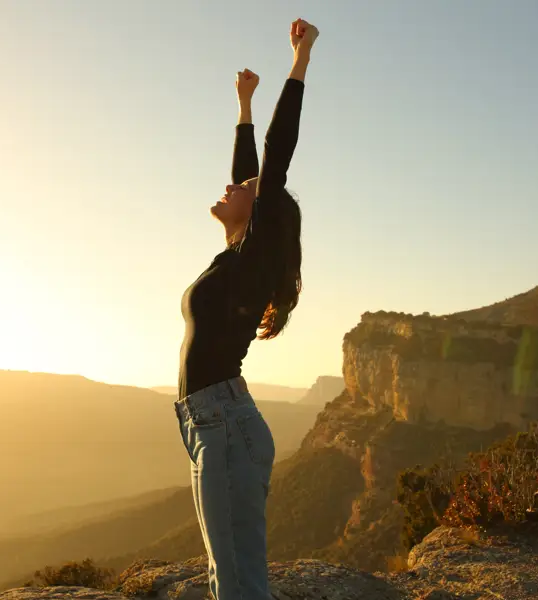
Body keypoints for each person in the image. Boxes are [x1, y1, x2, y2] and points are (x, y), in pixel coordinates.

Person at [174, 17, 319, 600]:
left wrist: (300, 60)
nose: (232, 186)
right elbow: (249, 173)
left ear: (262, 213)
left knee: (237, 580)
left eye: (245, 189)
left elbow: (275, 158)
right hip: (206, 421)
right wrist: (243, 106)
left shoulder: (253, 256)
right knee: (225, 571)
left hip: (225, 424)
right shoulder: (235, 257)